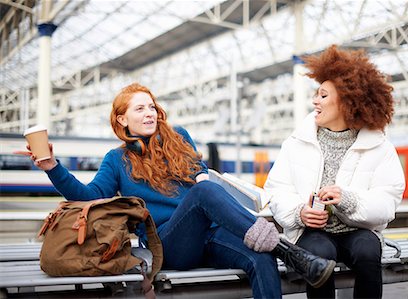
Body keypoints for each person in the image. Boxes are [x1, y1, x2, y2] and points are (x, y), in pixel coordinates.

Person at [18, 83, 336, 299]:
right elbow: (89, 197)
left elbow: (198, 174)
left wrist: (216, 192)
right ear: (122, 119)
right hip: (170, 245)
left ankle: (280, 251)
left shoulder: (179, 136)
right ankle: (292, 254)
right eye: (140, 109)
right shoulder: (116, 160)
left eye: (152, 107)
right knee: (203, 194)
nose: (150, 113)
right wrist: (52, 167)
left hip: (210, 234)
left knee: (261, 256)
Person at [264, 45, 406, 299]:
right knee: (320, 253)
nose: (314, 101)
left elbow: (388, 201)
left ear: (347, 103)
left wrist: (348, 200)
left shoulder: (380, 146)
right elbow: (277, 190)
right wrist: (299, 213)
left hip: (359, 231)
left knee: (367, 251)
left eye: (323, 95)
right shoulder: (296, 142)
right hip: (311, 233)